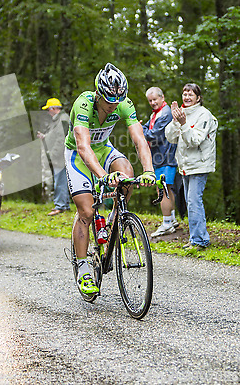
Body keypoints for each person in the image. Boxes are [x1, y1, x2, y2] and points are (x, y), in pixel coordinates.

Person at [64, 63, 156, 295]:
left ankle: (116, 220)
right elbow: (83, 147)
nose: (114, 105)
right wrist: (104, 177)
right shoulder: (83, 104)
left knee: (127, 172)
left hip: (104, 149)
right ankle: (84, 267)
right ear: (98, 94)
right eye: (108, 101)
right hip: (78, 155)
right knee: (86, 211)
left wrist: (149, 171)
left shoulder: (123, 103)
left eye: (118, 100)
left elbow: (139, 140)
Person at [165, 83, 218, 250]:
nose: (186, 97)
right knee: (191, 202)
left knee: (194, 202)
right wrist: (175, 121)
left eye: (190, 95)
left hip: (199, 165)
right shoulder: (183, 114)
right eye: (184, 94)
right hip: (186, 165)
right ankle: (198, 238)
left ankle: (200, 241)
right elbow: (171, 138)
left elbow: (194, 141)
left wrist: (183, 123)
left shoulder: (204, 115)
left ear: (198, 98)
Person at [142, 87, 178, 237]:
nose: (152, 103)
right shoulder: (156, 113)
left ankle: (167, 223)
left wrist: (139, 129)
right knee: (166, 189)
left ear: (162, 97)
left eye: (155, 99)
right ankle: (172, 219)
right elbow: (149, 129)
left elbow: (153, 135)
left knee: (163, 190)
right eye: (150, 100)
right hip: (160, 157)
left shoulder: (165, 113)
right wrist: (143, 128)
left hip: (166, 157)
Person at [37, 98, 70, 216]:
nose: (48, 112)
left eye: (49, 109)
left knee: (60, 180)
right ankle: (64, 205)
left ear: (54, 109)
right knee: (62, 180)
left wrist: (53, 154)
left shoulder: (63, 119)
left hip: (60, 156)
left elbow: (61, 139)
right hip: (60, 155)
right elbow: (55, 135)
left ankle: (60, 206)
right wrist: (45, 137)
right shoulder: (59, 120)